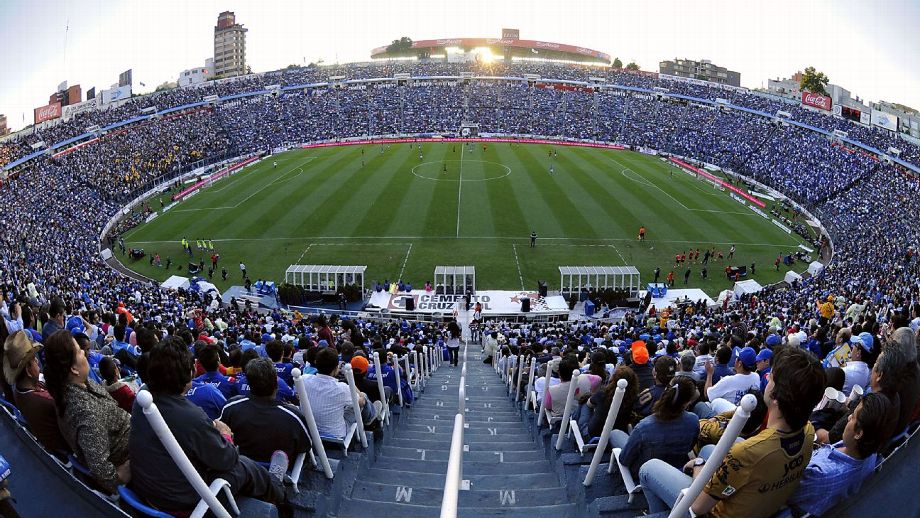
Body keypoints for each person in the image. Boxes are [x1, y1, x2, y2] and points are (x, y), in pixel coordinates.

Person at [639, 347, 826, 517]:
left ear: (777, 397)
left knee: (648, 468)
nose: (767, 379)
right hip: (759, 504)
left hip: (711, 512)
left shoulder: (747, 453)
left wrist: (698, 466)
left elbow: (697, 506)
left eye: (772, 378)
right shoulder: (809, 432)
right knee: (709, 450)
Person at [129, 337, 286, 513]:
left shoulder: (141, 400)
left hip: (149, 492)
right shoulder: (190, 415)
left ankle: (272, 483)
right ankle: (280, 493)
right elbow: (227, 459)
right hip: (184, 502)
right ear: (189, 372)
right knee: (244, 465)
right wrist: (225, 435)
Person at [43, 331, 131, 493]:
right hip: (133, 457)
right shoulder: (85, 412)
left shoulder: (76, 384)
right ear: (73, 369)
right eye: (79, 351)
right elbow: (101, 469)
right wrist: (126, 471)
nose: (84, 352)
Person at [790, 392, 896, 516]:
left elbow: (784, 494)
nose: (849, 417)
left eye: (854, 416)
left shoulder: (819, 474)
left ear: (859, 433)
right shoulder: (870, 454)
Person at [219, 358, 311, 464]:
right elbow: (305, 446)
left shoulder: (231, 408)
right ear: (276, 384)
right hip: (279, 471)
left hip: (243, 466)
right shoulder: (294, 416)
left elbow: (221, 435)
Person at [612, 377, 700, 480]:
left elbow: (624, 459)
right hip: (676, 470)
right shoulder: (694, 420)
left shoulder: (644, 427)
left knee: (615, 433)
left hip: (645, 475)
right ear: (688, 402)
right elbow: (690, 447)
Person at [3, 331, 69, 453]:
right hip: (64, 447)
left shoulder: (18, 389)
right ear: (28, 370)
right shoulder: (45, 401)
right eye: (34, 359)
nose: (37, 362)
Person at [303, 348, 381, 439]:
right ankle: (371, 417)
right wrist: (350, 381)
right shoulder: (342, 388)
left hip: (310, 430)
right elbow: (361, 402)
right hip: (336, 434)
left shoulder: (304, 380)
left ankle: (372, 414)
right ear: (336, 368)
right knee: (363, 397)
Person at [695, 346, 761, 418]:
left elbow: (707, 395)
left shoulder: (729, 380)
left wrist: (709, 374)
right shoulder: (756, 377)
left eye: (737, 358)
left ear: (740, 363)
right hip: (749, 418)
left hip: (729, 418)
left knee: (702, 405)